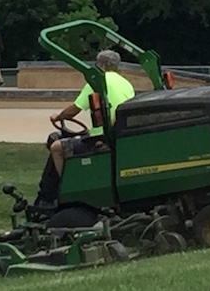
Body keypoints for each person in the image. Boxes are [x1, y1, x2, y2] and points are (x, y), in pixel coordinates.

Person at [35, 49, 135, 207]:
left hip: (101, 139)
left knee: (56, 147)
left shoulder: (97, 81)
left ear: (99, 64)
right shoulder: (126, 84)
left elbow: (75, 109)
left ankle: (66, 190)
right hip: (118, 136)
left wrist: (58, 116)